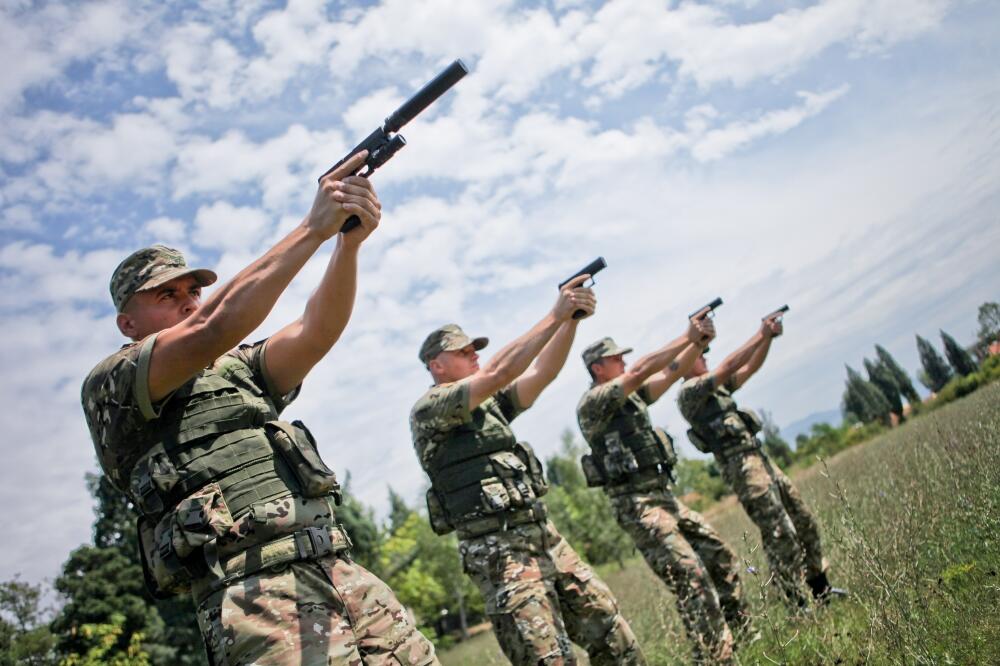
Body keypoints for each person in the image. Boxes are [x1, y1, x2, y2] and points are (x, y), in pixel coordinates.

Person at [81, 152, 438, 665]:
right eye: (166, 294)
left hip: (338, 567)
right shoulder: (111, 385)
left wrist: (346, 244)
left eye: (194, 290)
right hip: (254, 598)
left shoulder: (235, 367)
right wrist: (311, 229)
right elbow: (215, 326)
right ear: (127, 324)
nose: (189, 301)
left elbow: (316, 330)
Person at [409, 277, 645, 666]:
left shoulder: (489, 405)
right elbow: (499, 372)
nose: (475, 355)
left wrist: (571, 320)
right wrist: (555, 314)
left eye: (475, 349)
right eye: (463, 351)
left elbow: (541, 374)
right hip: (500, 555)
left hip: (544, 537)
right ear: (436, 365)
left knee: (616, 640)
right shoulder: (429, 410)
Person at [575, 311, 748, 664]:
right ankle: (713, 658)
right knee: (690, 576)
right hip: (638, 504)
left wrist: (698, 343)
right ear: (598, 369)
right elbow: (641, 370)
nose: (623, 362)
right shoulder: (593, 404)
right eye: (615, 358)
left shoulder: (634, 397)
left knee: (719, 555)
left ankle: (741, 637)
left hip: (664, 497)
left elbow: (670, 373)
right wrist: (686, 337)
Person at [676, 312, 846, 607]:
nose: (705, 359)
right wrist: (759, 334)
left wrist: (766, 340)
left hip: (761, 459)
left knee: (802, 519)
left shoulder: (717, 390)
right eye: (701, 355)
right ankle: (795, 602)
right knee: (779, 530)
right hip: (742, 469)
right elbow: (730, 365)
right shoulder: (690, 393)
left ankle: (821, 589)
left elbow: (749, 368)